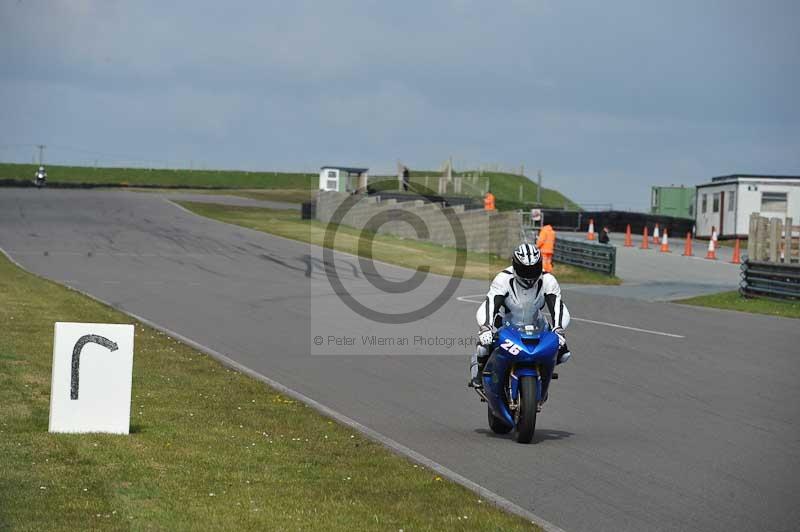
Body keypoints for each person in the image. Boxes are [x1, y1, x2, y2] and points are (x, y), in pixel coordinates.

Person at [469, 243, 572, 400]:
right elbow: (490, 304)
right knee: (483, 348)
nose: (529, 274)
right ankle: (480, 374)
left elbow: (557, 306)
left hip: (535, 323)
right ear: (515, 266)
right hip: (505, 322)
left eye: (533, 269)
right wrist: (486, 327)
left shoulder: (548, 280)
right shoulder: (503, 279)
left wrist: (559, 329)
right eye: (525, 270)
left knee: (563, 353)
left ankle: (544, 374)